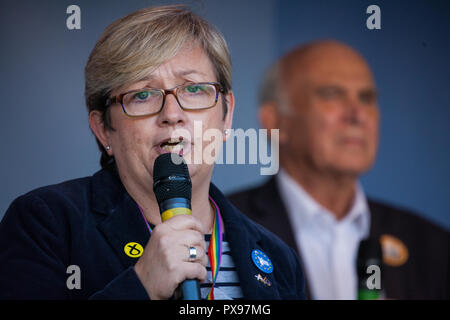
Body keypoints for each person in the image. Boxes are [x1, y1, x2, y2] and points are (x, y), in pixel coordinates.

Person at [0, 5, 305, 300]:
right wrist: (141, 287)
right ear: (103, 128)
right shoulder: (45, 224)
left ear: (226, 116)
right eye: (142, 95)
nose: (172, 114)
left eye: (194, 89)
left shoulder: (278, 259)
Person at [228, 40, 450, 300]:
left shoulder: (432, 246)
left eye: (366, 98)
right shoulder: (226, 230)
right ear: (276, 121)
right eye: (332, 94)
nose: (357, 114)